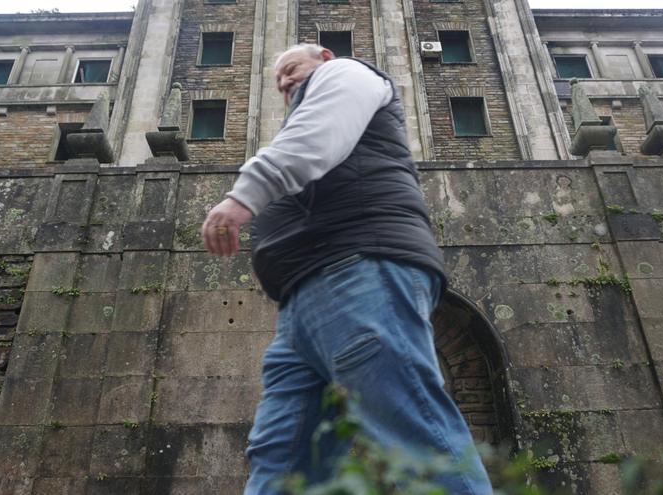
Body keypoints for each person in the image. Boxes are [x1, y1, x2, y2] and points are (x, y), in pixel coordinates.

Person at [200, 44, 492, 494]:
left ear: (324, 55)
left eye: (290, 70)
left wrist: (244, 198)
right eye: (277, 81)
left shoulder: (347, 75)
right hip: (303, 303)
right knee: (281, 457)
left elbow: (316, 139)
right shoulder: (309, 102)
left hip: (357, 269)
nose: (284, 83)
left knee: (410, 429)